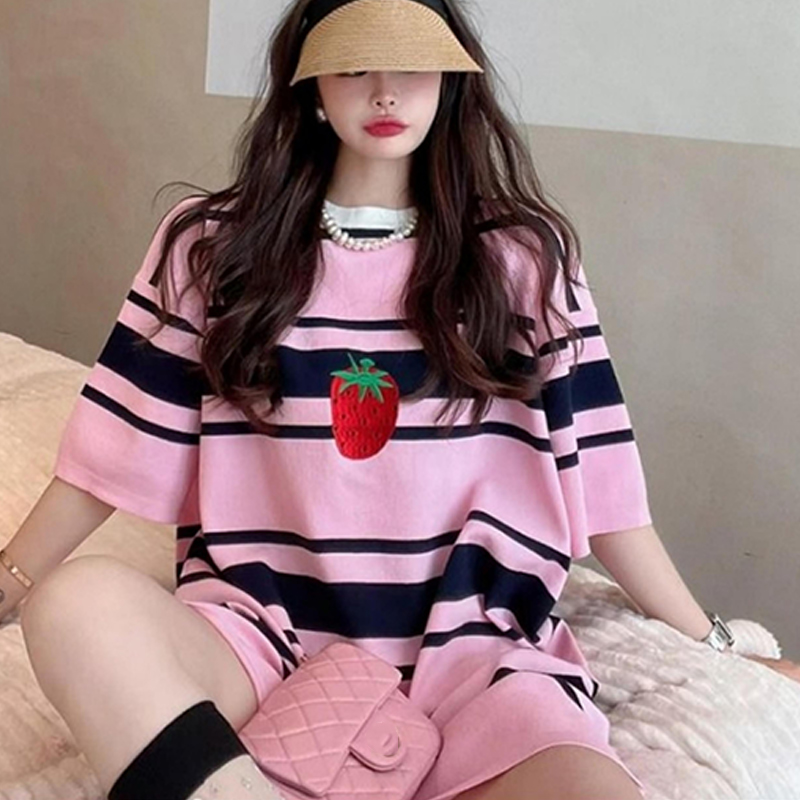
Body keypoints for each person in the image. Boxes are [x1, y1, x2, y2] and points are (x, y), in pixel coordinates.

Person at [2, 1, 799, 799]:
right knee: (76, 606)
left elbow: (603, 489)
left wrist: (717, 645)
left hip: (476, 662)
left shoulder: (525, 259)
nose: (384, 91)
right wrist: (13, 576)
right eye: (353, 66)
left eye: (411, 66)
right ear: (311, 86)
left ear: (449, 81)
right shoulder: (212, 248)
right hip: (258, 645)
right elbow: (113, 449)